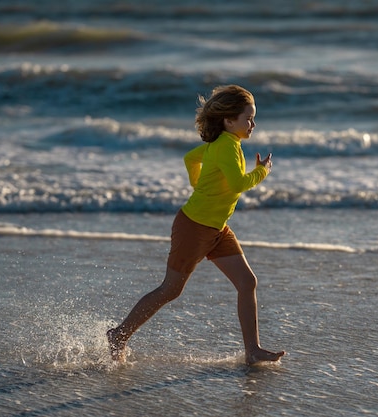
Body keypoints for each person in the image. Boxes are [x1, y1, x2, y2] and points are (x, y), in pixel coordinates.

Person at [107, 85, 285, 366]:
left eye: (253, 118)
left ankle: (253, 350)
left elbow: (190, 158)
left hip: (217, 229)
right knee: (170, 289)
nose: (253, 124)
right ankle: (119, 335)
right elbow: (239, 183)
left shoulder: (226, 145)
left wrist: (197, 182)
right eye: (248, 118)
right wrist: (262, 171)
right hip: (194, 226)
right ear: (229, 121)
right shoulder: (226, 146)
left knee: (247, 282)